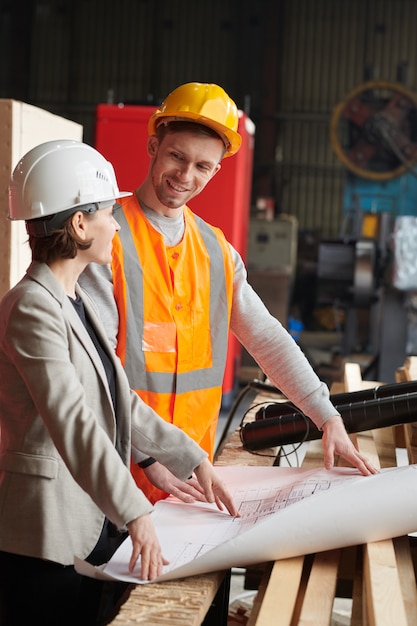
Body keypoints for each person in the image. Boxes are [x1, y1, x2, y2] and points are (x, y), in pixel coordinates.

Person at [79, 82, 378, 504]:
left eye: (202, 166)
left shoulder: (216, 252)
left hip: (192, 475)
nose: (185, 176)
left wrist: (327, 418)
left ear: (217, 170)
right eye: (176, 156)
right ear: (153, 145)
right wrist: (147, 456)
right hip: (115, 465)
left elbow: (269, 339)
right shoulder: (104, 236)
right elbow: (93, 367)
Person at [0, 139, 238, 626]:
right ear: (79, 223)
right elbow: (73, 421)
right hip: (42, 536)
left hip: (83, 519)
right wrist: (136, 512)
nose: (116, 224)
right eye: (108, 212)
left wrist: (192, 459)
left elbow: (117, 398)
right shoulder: (31, 307)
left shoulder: (74, 301)